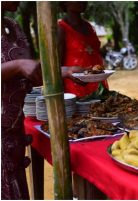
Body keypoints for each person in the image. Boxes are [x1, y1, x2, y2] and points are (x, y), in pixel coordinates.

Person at [1, 2, 43, 199]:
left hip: (14, 132)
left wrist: (61, 72)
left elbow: (28, 71)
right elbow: (19, 66)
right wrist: (18, 66)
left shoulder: (12, 25)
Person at [58, 2, 109, 100]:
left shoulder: (88, 26)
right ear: (65, 3)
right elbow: (56, 67)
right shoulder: (61, 29)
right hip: (75, 88)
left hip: (97, 85)